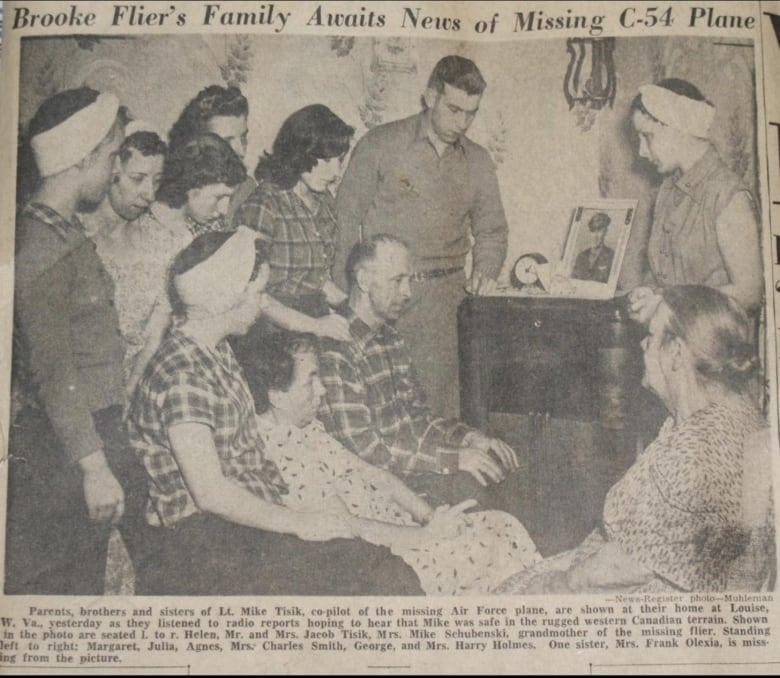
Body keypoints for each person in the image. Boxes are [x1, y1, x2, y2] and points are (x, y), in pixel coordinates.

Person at [126, 228, 423, 595]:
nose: (264, 303)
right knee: (377, 579)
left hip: (249, 514)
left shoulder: (212, 349)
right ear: (227, 296)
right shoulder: (184, 374)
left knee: (380, 564)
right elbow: (211, 493)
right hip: (208, 537)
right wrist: (298, 521)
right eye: (258, 292)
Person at [496, 285, 767, 594]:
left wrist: (555, 585)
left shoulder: (692, 452)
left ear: (676, 353)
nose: (642, 344)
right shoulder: (741, 413)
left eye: (651, 336)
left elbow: (626, 564)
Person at [249, 331, 540, 595]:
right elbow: (347, 525)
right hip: (387, 552)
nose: (322, 390)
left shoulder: (308, 429)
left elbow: (374, 474)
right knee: (495, 548)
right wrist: (425, 535)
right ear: (277, 396)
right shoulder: (280, 449)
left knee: (503, 525)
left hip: (403, 527)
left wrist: (429, 516)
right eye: (310, 380)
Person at [8, 87, 146, 594]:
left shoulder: (62, 230)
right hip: (63, 447)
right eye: (112, 156)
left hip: (88, 429)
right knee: (60, 590)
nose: (114, 170)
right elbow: (53, 369)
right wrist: (93, 467)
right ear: (83, 157)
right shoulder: (39, 247)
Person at [335, 55, 509, 417]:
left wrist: (486, 272)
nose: (461, 123)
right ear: (431, 96)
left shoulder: (478, 161)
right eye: (454, 109)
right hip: (383, 298)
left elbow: (492, 230)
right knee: (379, 408)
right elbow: (344, 220)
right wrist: (344, 293)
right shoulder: (380, 144)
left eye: (471, 113)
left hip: (444, 306)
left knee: (438, 413)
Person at [317, 234, 520, 508]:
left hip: (412, 471)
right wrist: (453, 458)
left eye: (409, 280)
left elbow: (417, 418)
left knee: (501, 463)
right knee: (477, 489)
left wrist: (468, 437)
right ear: (364, 281)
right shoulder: (336, 348)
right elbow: (363, 449)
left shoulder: (390, 337)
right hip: (375, 487)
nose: (408, 292)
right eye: (397, 280)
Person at [100, 132, 246, 397]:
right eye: (219, 197)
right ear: (192, 189)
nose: (224, 209)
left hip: (145, 368)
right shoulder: (145, 226)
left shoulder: (188, 234)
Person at [626, 78, 762, 325]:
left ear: (678, 127)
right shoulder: (667, 191)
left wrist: (668, 300)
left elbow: (750, 293)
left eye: (647, 137)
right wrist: (648, 291)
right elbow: (665, 276)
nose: (641, 152)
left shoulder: (728, 195)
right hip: (673, 343)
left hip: (715, 350)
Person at [230, 104, 354, 373]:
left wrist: (355, 309)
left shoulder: (324, 202)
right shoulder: (265, 204)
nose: (335, 172)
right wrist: (316, 326)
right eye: (326, 160)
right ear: (300, 153)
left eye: (339, 161)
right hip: (269, 329)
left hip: (314, 317)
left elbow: (318, 279)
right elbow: (251, 294)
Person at [79, 124, 168, 392]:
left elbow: (154, 335)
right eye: (138, 179)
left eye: (157, 181)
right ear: (112, 171)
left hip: (133, 384)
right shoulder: (76, 235)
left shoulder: (162, 242)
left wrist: (128, 391)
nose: (150, 194)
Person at [168, 84, 255, 223]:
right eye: (226, 141)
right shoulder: (172, 193)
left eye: (243, 138)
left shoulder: (247, 188)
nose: (241, 151)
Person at [571, 212, 614, 283]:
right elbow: (571, 281)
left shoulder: (611, 256)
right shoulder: (581, 256)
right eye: (593, 231)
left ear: (605, 232)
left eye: (599, 231)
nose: (595, 236)